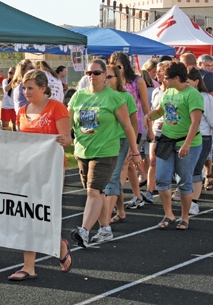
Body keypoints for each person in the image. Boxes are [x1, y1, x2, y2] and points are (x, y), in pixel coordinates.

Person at [7, 69, 73, 281]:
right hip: (28, 168)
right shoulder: (22, 111)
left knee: (45, 213)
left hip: (51, 169)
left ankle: (58, 244)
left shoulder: (57, 108)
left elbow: (68, 139)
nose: (26, 92)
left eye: (30, 88)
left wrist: (62, 140)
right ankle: (29, 266)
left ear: (43, 88)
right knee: (28, 215)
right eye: (24, 88)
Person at [69, 59, 141, 248]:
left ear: (105, 77)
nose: (91, 77)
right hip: (82, 151)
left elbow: (127, 126)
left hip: (106, 151)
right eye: (88, 73)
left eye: (96, 73)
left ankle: (84, 231)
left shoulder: (115, 98)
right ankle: (105, 228)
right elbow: (68, 121)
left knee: (93, 191)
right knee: (96, 192)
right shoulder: (78, 96)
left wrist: (135, 151)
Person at [143, 62, 203, 230]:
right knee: (161, 178)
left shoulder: (193, 95)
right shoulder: (168, 92)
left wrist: (187, 143)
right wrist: (149, 115)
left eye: (167, 77)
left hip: (187, 142)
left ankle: (185, 218)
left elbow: (195, 121)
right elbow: (161, 110)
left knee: (184, 181)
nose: (163, 80)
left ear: (177, 77)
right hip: (167, 140)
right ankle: (169, 214)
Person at [110, 52, 151, 210]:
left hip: (135, 126)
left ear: (125, 65)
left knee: (124, 164)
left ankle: (113, 199)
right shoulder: (111, 84)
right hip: (116, 128)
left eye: (119, 66)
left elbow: (145, 106)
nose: (116, 69)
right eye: (113, 66)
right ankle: (137, 196)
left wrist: (150, 128)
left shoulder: (136, 81)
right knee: (128, 166)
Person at [104, 65, 138, 225]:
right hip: (104, 141)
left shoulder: (126, 97)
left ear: (117, 78)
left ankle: (105, 219)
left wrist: (133, 146)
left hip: (121, 140)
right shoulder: (100, 96)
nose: (105, 79)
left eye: (109, 76)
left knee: (112, 177)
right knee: (113, 179)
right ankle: (121, 211)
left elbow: (133, 123)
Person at [141, 61, 171, 204]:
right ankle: (149, 191)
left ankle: (169, 189)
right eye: (156, 71)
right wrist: (150, 130)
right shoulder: (156, 91)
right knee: (152, 161)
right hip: (156, 130)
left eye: (160, 71)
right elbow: (153, 111)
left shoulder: (173, 91)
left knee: (169, 164)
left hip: (171, 133)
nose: (156, 74)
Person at [186, 66, 213, 215]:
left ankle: (194, 202)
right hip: (185, 136)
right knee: (185, 171)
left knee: (196, 169)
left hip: (202, 137)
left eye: (187, 81)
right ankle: (188, 198)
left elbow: (211, 120)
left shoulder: (206, 98)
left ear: (196, 82)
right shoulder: (183, 94)